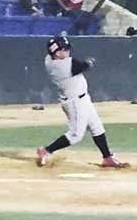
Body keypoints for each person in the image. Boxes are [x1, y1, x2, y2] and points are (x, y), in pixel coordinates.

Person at [36, 36, 128, 169]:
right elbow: (84, 65)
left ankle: (107, 158)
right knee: (76, 134)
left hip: (83, 99)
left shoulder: (49, 59)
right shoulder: (63, 65)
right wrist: (90, 61)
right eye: (64, 49)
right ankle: (46, 151)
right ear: (56, 52)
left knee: (97, 127)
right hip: (74, 102)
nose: (67, 51)